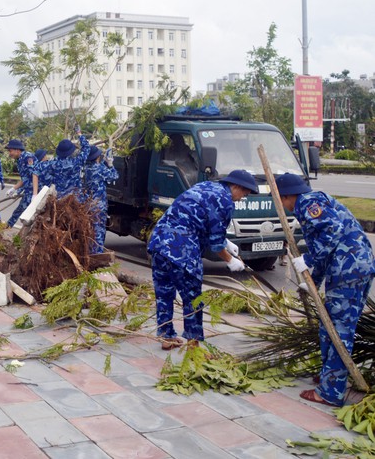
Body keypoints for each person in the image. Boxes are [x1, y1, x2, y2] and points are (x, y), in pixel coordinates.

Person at [275, 173, 375, 407]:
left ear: (287, 196)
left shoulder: (309, 203)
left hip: (348, 270)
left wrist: (308, 258)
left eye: (278, 199)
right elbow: (324, 248)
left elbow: (333, 233)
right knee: (328, 324)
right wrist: (311, 282)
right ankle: (331, 377)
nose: (279, 205)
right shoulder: (309, 205)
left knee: (339, 330)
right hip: (351, 269)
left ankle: (331, 392)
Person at [147, 170, 258, 350]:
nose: (242, 198)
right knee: (193, 298)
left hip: (159, 243)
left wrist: (226, 242)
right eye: (244, 193)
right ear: (236, 187)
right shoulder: (225, 201)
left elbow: (200, 220)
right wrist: (230, 260)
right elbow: (214, 245)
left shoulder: (205, 185)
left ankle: (166, 336)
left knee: (164, 293)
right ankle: (193, 345)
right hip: (181, 250)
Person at [32, 126, 91, 199]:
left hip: (59, 201)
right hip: (75, 200)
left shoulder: (53, 163)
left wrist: (34, 194)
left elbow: (35, 170)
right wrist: (79, 133)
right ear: (71, 150)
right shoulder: (77, 161)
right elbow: (87, 148)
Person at [83, 146, 119, 253]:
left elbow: (98, 172)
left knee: (89, 230)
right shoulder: (99, 169)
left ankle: (88, 252)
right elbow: (114, 176)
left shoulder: (85, 168)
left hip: (86, 204)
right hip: (98, 205)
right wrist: (110, 164)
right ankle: (97, 255)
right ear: (97, 157)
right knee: (98, 230)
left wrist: (104, 163)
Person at [4, 139, 35, 227]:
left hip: (34, 190)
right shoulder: (19, 159)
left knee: (24, 210)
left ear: (17, 150)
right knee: (21, 210)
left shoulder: (27, 157)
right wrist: (15, 189)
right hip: (29, 189)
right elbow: (25, 178)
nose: (10, 153)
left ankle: (9, 226)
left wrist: (17, 189)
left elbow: (33, 176)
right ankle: (8, 226)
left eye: (10, 151)